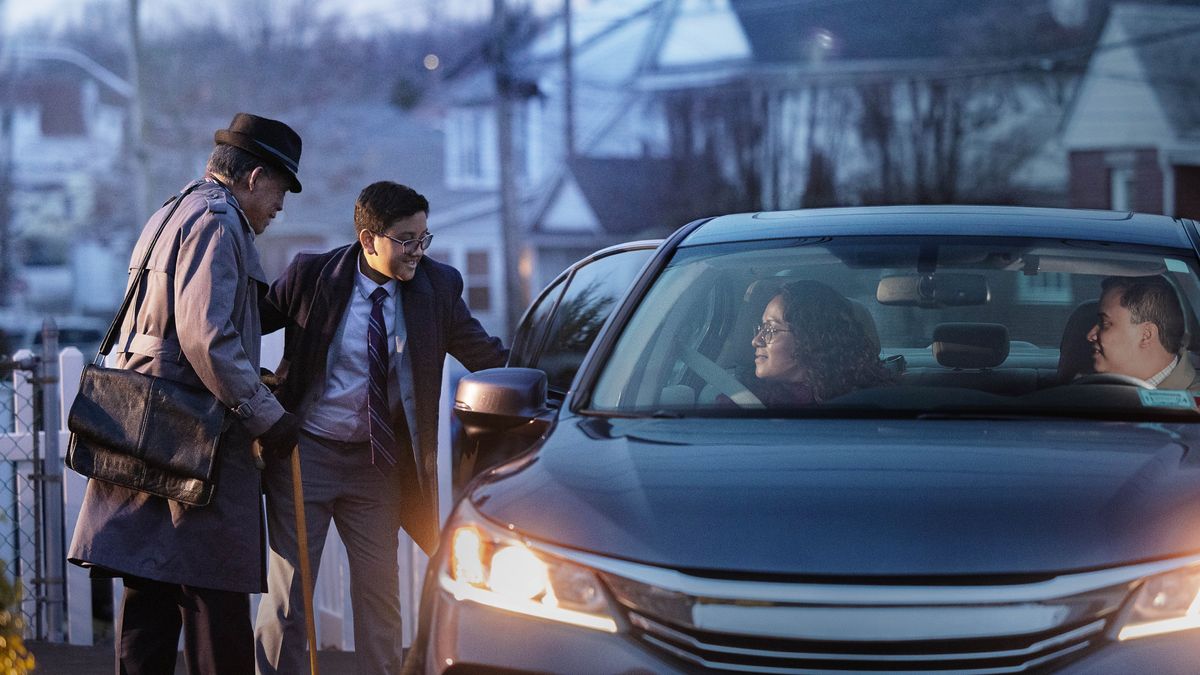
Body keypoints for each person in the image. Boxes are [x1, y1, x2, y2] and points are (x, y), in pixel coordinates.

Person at [68, 113, 305, 674]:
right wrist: (268, 417)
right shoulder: (219, 223)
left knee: (149, 595)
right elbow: (208, 339)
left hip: (145, 427)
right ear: (253, 177)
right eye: (281, 188)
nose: (281, 205)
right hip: (192, 436)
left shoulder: (172, 210)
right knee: (213, 600)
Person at [254, 181, 507, 675]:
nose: (418, 251)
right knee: (289, 597)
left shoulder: (438, 288)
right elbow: (242, 324)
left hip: (378, 465)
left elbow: (488, 356)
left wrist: (561, 389)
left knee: (380, 598)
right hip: (307, 456)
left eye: (424, 238)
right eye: (407, 240)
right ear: (370, 239)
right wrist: (255, 394)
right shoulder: (311, 275)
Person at [747, 280, 893, 405]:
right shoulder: (742, 400)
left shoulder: (876, 402)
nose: (756, 341)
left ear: (809, 337)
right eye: (761, 328)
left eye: (771, 329)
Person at [1087, 275, 1200, 389]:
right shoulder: (1081, 392)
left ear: (1146, 335)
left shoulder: (1193, 404)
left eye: (1105, 323)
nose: (1090, 335)